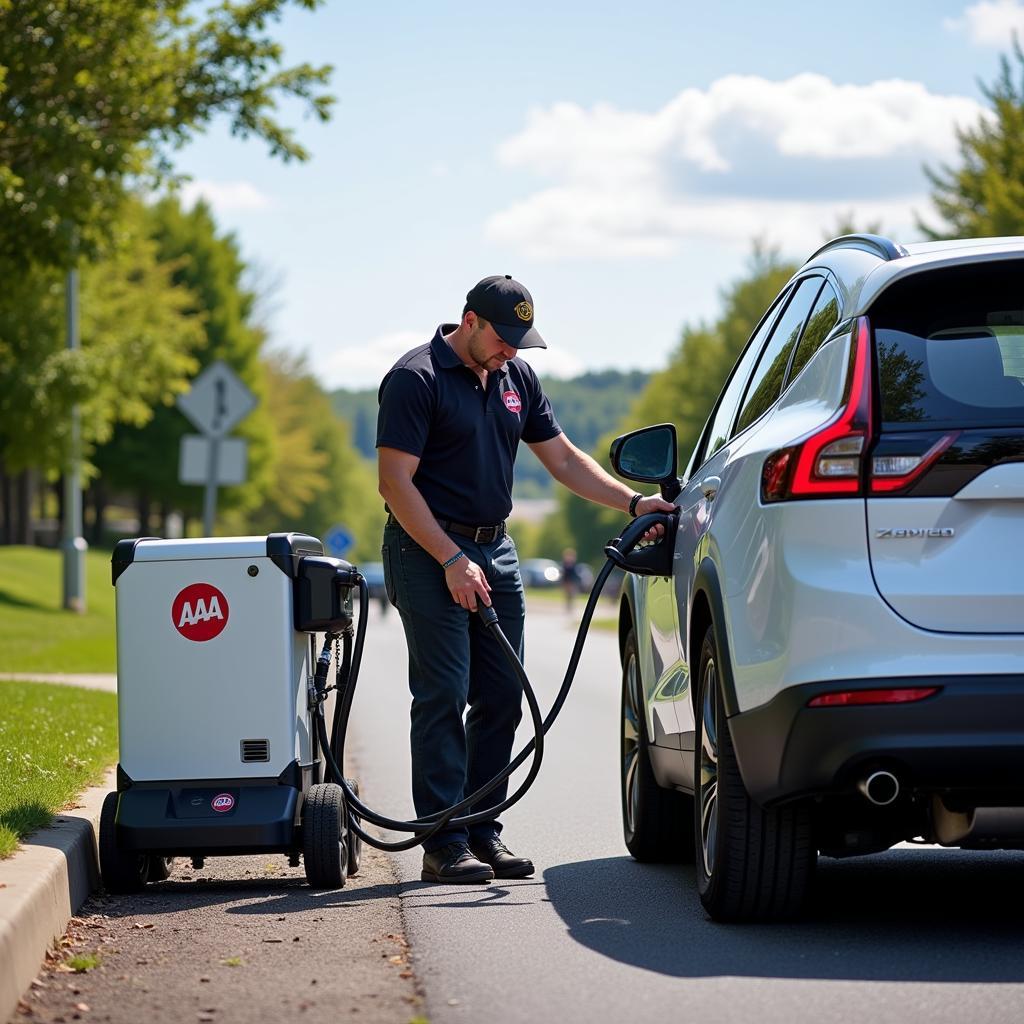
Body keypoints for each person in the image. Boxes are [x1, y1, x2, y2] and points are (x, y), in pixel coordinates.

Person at [376, 275, 675, 884]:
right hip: (426, 547)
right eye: (503, 338)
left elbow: (562, 458)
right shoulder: (416, 379)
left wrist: (632, 504)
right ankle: (443, 840)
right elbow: (394, 484)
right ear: (470, 321)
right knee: (443, 692)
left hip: (497, 549)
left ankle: (483, 828)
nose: (511, 349)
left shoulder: (517, 379)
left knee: (502, 694)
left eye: (520, 340)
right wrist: (449, 560)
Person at [560, 547, 582, 613]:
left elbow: (574, 573)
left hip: (572, 581)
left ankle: (570, 606)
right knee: (567, 594)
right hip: (567, 580)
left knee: (571, 594)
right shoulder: (565, 564)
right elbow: (564, 573)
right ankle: (568, 606)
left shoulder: (573, 564)